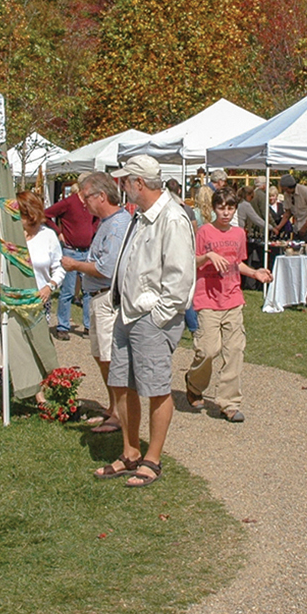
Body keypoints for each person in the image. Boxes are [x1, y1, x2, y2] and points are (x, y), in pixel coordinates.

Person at [93, 155, 194, 489]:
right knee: (123, 384)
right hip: (128, 312)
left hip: (150, 317)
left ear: (138, 183)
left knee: (155, 387)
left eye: (125, 181)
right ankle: (130, 451)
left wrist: (159, 316)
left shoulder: (172, 218)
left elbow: (179, 278)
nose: (122, 186)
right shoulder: (142, 217)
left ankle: (153, 458)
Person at [184, 186, 272, 422]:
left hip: (233, 299)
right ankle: (194, 383)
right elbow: (191, 262)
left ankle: (229, 403)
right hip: (208, 300)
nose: (225, 213)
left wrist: (255, 274)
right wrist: (208, 256)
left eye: (230, 208)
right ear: (214, 209)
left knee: (234, 351)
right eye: (221, 208)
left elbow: (237, 263)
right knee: (208, 350)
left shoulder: (239, 234)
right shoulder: (204, 232)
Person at [63, 172, 130, 434]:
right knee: (101, 356)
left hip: (106, 296)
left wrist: (75, 265)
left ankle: (120, 415)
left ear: (101, 196)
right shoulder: (107, 222)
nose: (83, 203)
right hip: (97, 297)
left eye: (86, 197)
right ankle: (113, 408)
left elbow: (107, 267)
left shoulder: (116, 225)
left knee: (110, 358)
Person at [0, 189, 65, 319]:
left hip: (38, 303)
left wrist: (49, 287)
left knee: (38, 340)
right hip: (8, 303)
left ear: (30, 213)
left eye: (17, 213)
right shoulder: (3, 236)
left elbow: (59, 268)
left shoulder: (48, 236)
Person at [45, 179, 100, 341]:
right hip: (70, 250)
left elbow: (97, 218)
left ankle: (88, 326)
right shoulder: (69, 202)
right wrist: (58, 232)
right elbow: (47, 214)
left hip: (87, 251)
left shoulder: (91, 204)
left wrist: (92, 230)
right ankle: (63, 326)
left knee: (88, 291)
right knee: (68, 291)